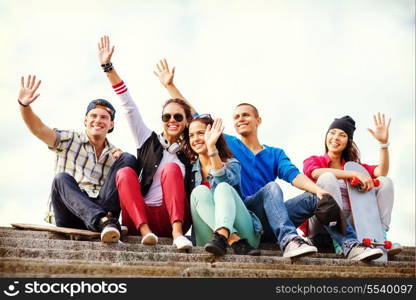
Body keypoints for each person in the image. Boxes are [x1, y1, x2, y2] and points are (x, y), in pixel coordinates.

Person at [156, 63, 384, 261]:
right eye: (236, 117)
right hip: (243, 211)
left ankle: (350, 245)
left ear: (258, 120)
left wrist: (320, 192)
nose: (240, 119)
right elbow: (198, 120)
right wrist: (170, 87)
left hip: (272, 215)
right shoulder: (231, 144)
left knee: (317, 196)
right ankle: (289, 240)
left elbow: (295, 176)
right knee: (271, 188)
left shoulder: (275, 153)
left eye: (245, 115)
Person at [97, 36, 193, 250]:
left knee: (171, 168)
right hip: (141, 216)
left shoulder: (191, 151)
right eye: (167, 117)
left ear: (186, 122)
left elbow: (200, 119)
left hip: (172, 218)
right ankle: (145, 232)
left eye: (178, 117)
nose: (172, 121)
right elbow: (128, 105)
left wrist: (170, 86)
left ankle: (177, 234)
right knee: (124, 173)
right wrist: (108, 67)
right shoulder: (147, 140)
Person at [17, 75, 138, 243]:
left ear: (111, 124)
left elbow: (129, 187)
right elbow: (38, 129)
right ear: (85, 120)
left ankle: (106, 221)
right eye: (93, 116)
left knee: (128, 159)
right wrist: (24, 105)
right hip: (70, 212)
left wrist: (119, 162)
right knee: (61, 179)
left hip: (101, 206)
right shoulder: (69, 139)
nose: (98, 120)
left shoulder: (114, 154)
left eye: (104, 117)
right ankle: (103, 221)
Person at [302, 115, 402, 256]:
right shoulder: (314, 160)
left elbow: (382, 171)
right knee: (328, 178)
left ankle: (379, 236)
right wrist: (351, 174)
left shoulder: (354, 167)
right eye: (332, 133)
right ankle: (341, 242)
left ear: (348, 141)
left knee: (385, 182)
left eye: (342, 135)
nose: (336, 137)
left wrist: (383, 144)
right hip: (322, 226)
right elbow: (315, 173)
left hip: (352, 226)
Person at [184, 115, 262, 256]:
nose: (195, 139)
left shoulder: (232, 164)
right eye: (191, 136)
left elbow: (222, 182)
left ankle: (224, 234)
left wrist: (211, 147)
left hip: (246, 236)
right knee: (199, 191)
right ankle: (232, 239)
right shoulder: (189, 171)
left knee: (223, 187)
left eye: (200, 133)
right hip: (210, 239)